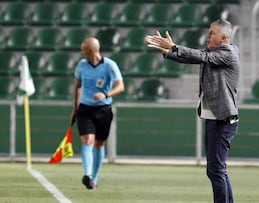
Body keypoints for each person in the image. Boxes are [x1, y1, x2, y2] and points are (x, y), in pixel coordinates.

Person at [145, 19, 241, 203]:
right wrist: (167, 50)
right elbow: (195, 57)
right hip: (216, 119)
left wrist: (174, 46)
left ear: (223, 37)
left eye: (211, 33)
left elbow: (201, 57)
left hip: (223, 121)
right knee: (217, 170)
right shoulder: (214, 53)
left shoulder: (228, 52)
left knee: (216, 170)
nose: (207, 35)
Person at [70, 37, 125, 189]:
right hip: (85, 109)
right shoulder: (81, 66)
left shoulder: (109, 66)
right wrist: (74, 108)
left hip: (103, 110)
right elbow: (77, 86)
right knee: (88, 140)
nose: (82, 54)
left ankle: (94, 178)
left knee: (99, 145)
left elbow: (120, 86)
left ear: (93, 51)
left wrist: (106, 94)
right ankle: (87, 175)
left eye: (84, 51)